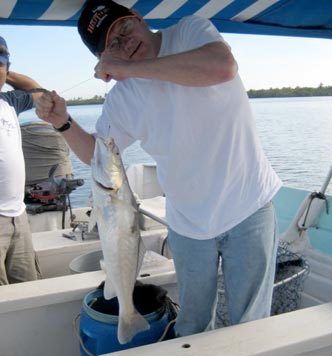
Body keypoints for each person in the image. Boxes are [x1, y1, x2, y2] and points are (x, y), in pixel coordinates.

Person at [35, 0, 282, 336]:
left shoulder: (191, 31)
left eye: (124, 29)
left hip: (248, 206)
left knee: (251, 324)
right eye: (112, 45)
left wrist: (130, 69)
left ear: (137, 17)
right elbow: (100, 155)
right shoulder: (123, 98)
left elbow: (223, 66)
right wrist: (62, 122)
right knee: (193, 325)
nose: (125, 42)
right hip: (187, 223)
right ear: (103, 58)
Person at [0, 36, 42, 285]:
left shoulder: (9, 102)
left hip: (19, 215)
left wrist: (6, 71)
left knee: (30, 290)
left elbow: (37, 91)